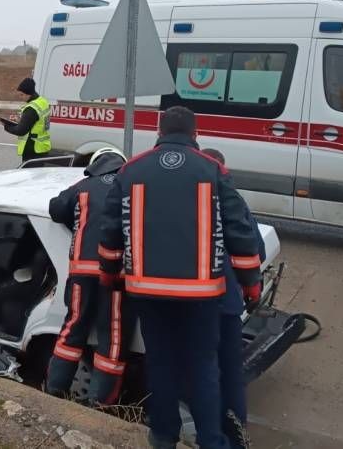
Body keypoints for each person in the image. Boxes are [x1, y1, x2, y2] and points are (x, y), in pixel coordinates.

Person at [96, 106, 261, 449]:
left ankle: (163, 435)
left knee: (161, 362)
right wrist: (250, 283)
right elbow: (239, 232)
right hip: (202, 294)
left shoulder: (131, 170)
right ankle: (211, 441)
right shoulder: (213, 169)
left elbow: (110, 232)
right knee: (203, 367)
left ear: (158, 132)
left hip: (147, 291)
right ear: (196, 134)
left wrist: (110, 275)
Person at [45, 147, 130, 405]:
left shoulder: (84, 185)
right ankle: (100, 402)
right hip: (115, 274)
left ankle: (54, 390)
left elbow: (56, 207)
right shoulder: (130, 186)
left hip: (81, 270)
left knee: (72, 329)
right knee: (112, 337)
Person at [202, 148, 266, 449]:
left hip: (197, 305)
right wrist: (249, 286)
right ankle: (236, 436)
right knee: (230, 372)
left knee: (205, 372)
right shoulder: (234, 201)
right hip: (228, 304)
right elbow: (255, 250)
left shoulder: (185, 200)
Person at [1, 78, 52, 162]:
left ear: (28, 94)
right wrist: (20, 120)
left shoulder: (31, 108)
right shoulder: (42, 101)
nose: (20, 97)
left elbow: (21, 131)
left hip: (32, 149)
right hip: (42, 147)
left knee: (30, 174)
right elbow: (37, 122)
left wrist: (6, 125)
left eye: (21, 95)